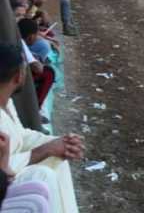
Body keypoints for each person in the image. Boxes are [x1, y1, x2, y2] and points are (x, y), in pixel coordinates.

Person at [0, 43, 83, 213]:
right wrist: (43, 150)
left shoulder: (7, 101)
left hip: (11, 172)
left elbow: (21, 136)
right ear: (18, 76)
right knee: (43, 174)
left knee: (58, 156)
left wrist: (60, 142)